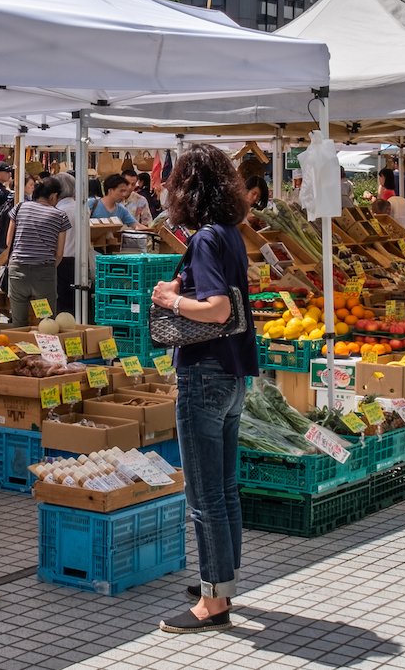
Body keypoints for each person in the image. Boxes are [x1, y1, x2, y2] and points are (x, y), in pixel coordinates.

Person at [148, 144, 255, 633]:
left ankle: (213, 602)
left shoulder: (207, 240)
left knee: (205, 493)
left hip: (205, 372)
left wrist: (171, 299)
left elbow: (217, 309)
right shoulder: (231, 234)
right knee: (225, 488)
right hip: (233, 373)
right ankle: (222, 581)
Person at [0, 178, 70, 327]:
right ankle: (46, 349)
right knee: (46, 322)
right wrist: (48, 267)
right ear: (53, 196)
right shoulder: (60, 216)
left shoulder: (19, 208)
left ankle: (19, 348)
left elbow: (8, 242)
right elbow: (59, 253)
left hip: (18, 270)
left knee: (19, 322)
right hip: (43, 273)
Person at [52, 172, 80, 315]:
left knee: (63, 302)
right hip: (79, 259)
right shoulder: (81, 208)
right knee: (76, 300)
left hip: (62, 259)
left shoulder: (59, 211)